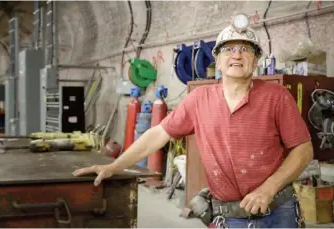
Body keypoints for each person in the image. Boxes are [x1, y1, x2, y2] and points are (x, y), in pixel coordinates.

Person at [73, 13, 313, 228]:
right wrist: (114, 166)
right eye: (229, 49)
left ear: (256, 59)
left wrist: (268, 189)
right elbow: (157, 135)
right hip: (229, 216)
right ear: (217, 61)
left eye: (246, 49)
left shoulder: (276, 96)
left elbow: (303, 150)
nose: (237, 55)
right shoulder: (199, 99)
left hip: (277, 212)